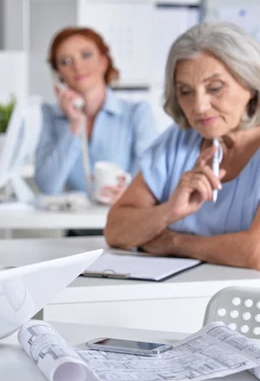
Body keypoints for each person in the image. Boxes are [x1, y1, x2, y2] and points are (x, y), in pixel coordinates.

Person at [105, 22, 260, 270]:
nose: (199, 106)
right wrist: (168, 213)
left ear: (251, 85)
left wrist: (175, 242)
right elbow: (115, 230)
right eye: (185, 91)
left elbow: (255, 253)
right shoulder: (178, 141)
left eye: (215, 88)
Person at [34, 27, 158, 205]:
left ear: (104, 61)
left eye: (86, 55)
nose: (77, 66)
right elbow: (47, 187)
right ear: (58, 74)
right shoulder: (50, 116)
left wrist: (128, 191)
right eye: (65, 61)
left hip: (125, 224)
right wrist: (75, 125)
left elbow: (150, 179)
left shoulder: (137, 114)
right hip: (78, 229)